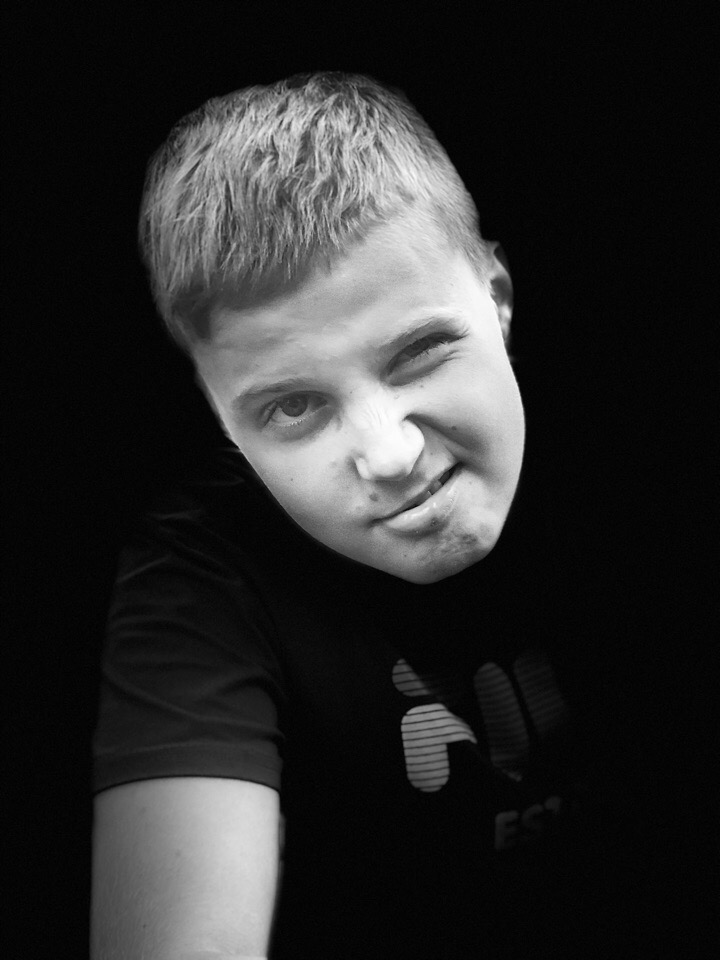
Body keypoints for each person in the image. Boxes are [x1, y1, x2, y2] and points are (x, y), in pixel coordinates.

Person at [90, 72, 665, 960]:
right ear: (220, 421)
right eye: (293, 407)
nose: (388, 454)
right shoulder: (199, 575)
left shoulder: (651, 434)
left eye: (420, 352)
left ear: (498, 297)